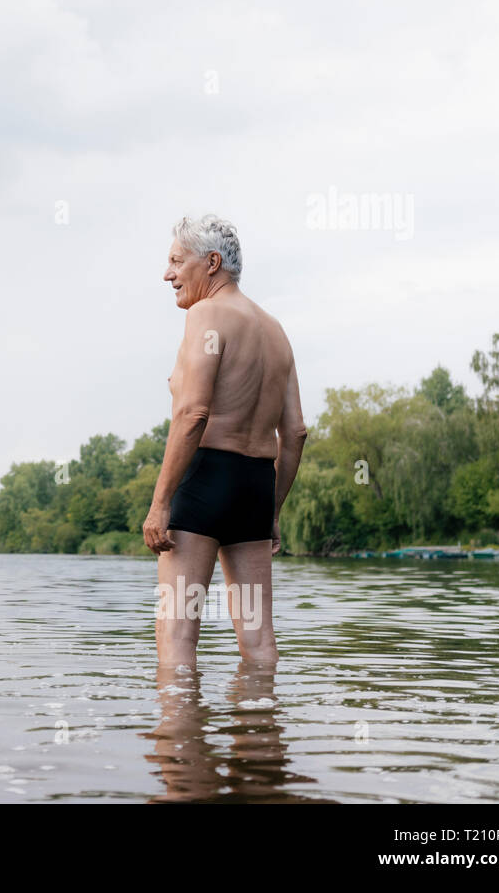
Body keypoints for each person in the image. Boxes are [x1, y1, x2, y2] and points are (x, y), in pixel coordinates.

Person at [143, 215, 307, 668]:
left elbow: (193, 413)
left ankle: (178, 738)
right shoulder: (276, 331)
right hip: (254, 487)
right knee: (258, 643)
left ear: (212, 262)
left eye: (177, 261)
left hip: (204, 483)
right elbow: (294, 434)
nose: (167, 274)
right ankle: (260, 731)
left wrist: (160, 503)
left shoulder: (206, 314)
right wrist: (272, 509)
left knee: (177, 639)